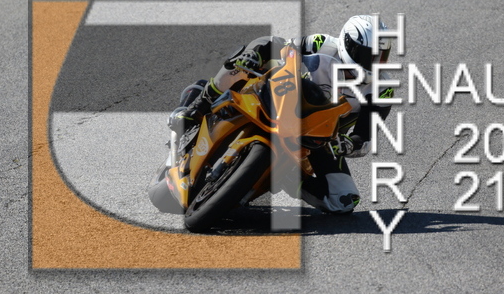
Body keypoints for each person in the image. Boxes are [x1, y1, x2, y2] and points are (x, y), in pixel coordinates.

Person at [168, 15, 393, 214]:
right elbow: (277, 45)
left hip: (319, 138)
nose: (376, 63)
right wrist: (254, 55)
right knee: (244, 60)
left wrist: (348, 145)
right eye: (369, 55)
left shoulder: (382, 90)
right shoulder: (322, 44)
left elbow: (365, 137)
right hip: (283, 97)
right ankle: (196, 107)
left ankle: (288, 176)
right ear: (348, 44)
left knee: (344, 200)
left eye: (382, 56)